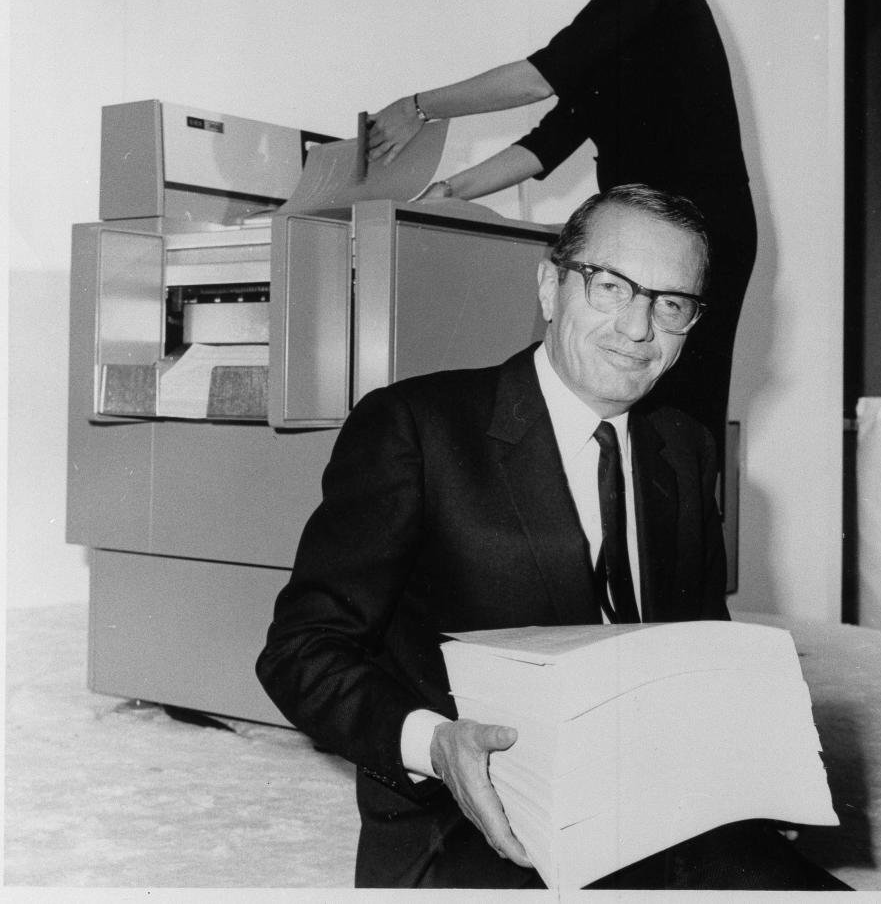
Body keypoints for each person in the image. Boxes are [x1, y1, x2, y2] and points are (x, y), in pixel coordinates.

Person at [256, 183, 848, 891]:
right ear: (550, 285)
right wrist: (435, 743)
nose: (638, 328)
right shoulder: (416, 427)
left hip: (659, 802)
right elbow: (299, 650)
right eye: (611, 286)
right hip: (475, 816)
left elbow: (698, 643)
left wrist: (748, 765)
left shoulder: (684, 448)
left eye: (671, 303)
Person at [365, 0, 756, 453]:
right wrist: (444, 192)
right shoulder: (618, 10)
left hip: (694, 231)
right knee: (643, 419)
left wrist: (417, 107)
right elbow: (549, 141)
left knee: (678, 423)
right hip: (652, 231)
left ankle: (681, 548)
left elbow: (538, 77)